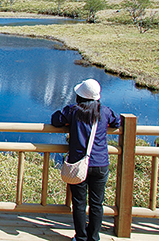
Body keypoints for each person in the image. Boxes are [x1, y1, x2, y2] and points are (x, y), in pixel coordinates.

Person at [51, 79, 120, 241]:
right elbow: (117, 121)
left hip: (78, 164)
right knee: (97, 203)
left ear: (79, 96)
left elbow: (55, 120)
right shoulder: (105, 111)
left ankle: (81, 237)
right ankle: (94, 237)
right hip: (100, 163)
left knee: (79, 203)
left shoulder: (73, 111)